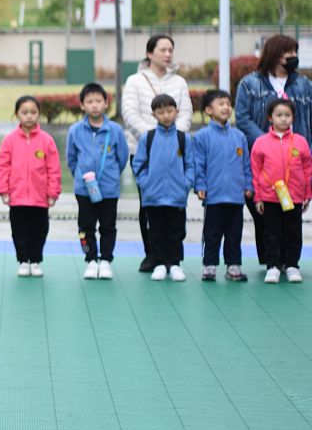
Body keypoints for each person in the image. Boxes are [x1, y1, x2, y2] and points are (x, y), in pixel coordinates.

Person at [234, 35, 312, 269]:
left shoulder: (304, 84)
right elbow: (243, 118)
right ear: (275, 54)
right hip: (264, 164)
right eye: (288, 52)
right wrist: (269, 143)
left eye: (294, 52)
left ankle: (289, 262)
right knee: (265, 214)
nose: (292, 57)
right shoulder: (250, 83)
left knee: (291, 217)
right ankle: (271, 260)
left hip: (296, 165)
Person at [121, 34, 193, 273]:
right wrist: (152, 139)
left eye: (171, 49)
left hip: (176, 154)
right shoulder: (135, 81)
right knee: (148, 206)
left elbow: (186, 114)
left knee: (174, 209)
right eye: (163, 49)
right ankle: (152, 254)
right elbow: (130, 114)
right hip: (143, 149)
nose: (168, 54)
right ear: (150, 53)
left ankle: (173, 259)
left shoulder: (180, 83)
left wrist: (171, 138)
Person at [66, 83, 129, 281]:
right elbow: (71, 158)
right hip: (84, 190)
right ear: (82, 105)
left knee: (108, 226)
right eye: (89, 101)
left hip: (109, 190)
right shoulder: (75, 130)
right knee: (85, 228)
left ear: (106, 103)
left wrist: (110, 176)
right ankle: (90, 259)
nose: (94, 105)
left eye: (98, 101)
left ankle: (106, 261)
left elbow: (122, 157)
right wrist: (81, 176)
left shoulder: (115, 130)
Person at [0, 96, 60, 278]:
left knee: (40, 230)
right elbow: (2, 166)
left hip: (40, 199)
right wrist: (4, 190)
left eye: (33, 112)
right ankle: (23, 260)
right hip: (17, 198)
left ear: (39, 114)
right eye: (24, 112)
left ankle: (36, 260)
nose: (29, 116)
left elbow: (54, 168)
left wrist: (53, 191)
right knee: (19, 231)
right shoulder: (10, 140)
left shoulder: (47, 140)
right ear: (17, 115)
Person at [191, 89, 253, 282]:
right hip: (214, 196)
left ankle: (233, 266)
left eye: (228, 103)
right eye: (221, 104)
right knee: (212, 233)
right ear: (209, 110)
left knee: (234, 234)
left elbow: (246, 165)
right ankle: (209, 265)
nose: (226, 107)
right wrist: (200, 185)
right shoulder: (202, 137)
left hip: (235, 196)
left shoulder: (239, 136)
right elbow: (198, 164)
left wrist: (248, 185)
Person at [131, 95, 194, 282]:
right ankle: (159, 263)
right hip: (153, 197)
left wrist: (186, 184)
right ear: (153, 114)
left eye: (169, 111)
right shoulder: (147, 138)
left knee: (176, 232)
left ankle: (174, 264)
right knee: (156, 232)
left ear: (176, 111)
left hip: (177, 196)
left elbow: (191, 165)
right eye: (160, 112)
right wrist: (145, 184)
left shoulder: (183, 138)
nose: (166, 115)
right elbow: (138, 164)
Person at [250, 98, 312, 284]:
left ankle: (292, 265)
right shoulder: (260, 143)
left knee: (293, 231)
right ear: (270, 118)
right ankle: (273, 266)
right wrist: (258, 197)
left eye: (287, 115)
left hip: (293, 197)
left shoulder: (300, 142)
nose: (283, 119)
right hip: (270, 197)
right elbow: (256, 170)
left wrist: (307, 194)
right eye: (279, 115)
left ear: (293, 117)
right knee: (271, 232)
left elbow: (308, 169)